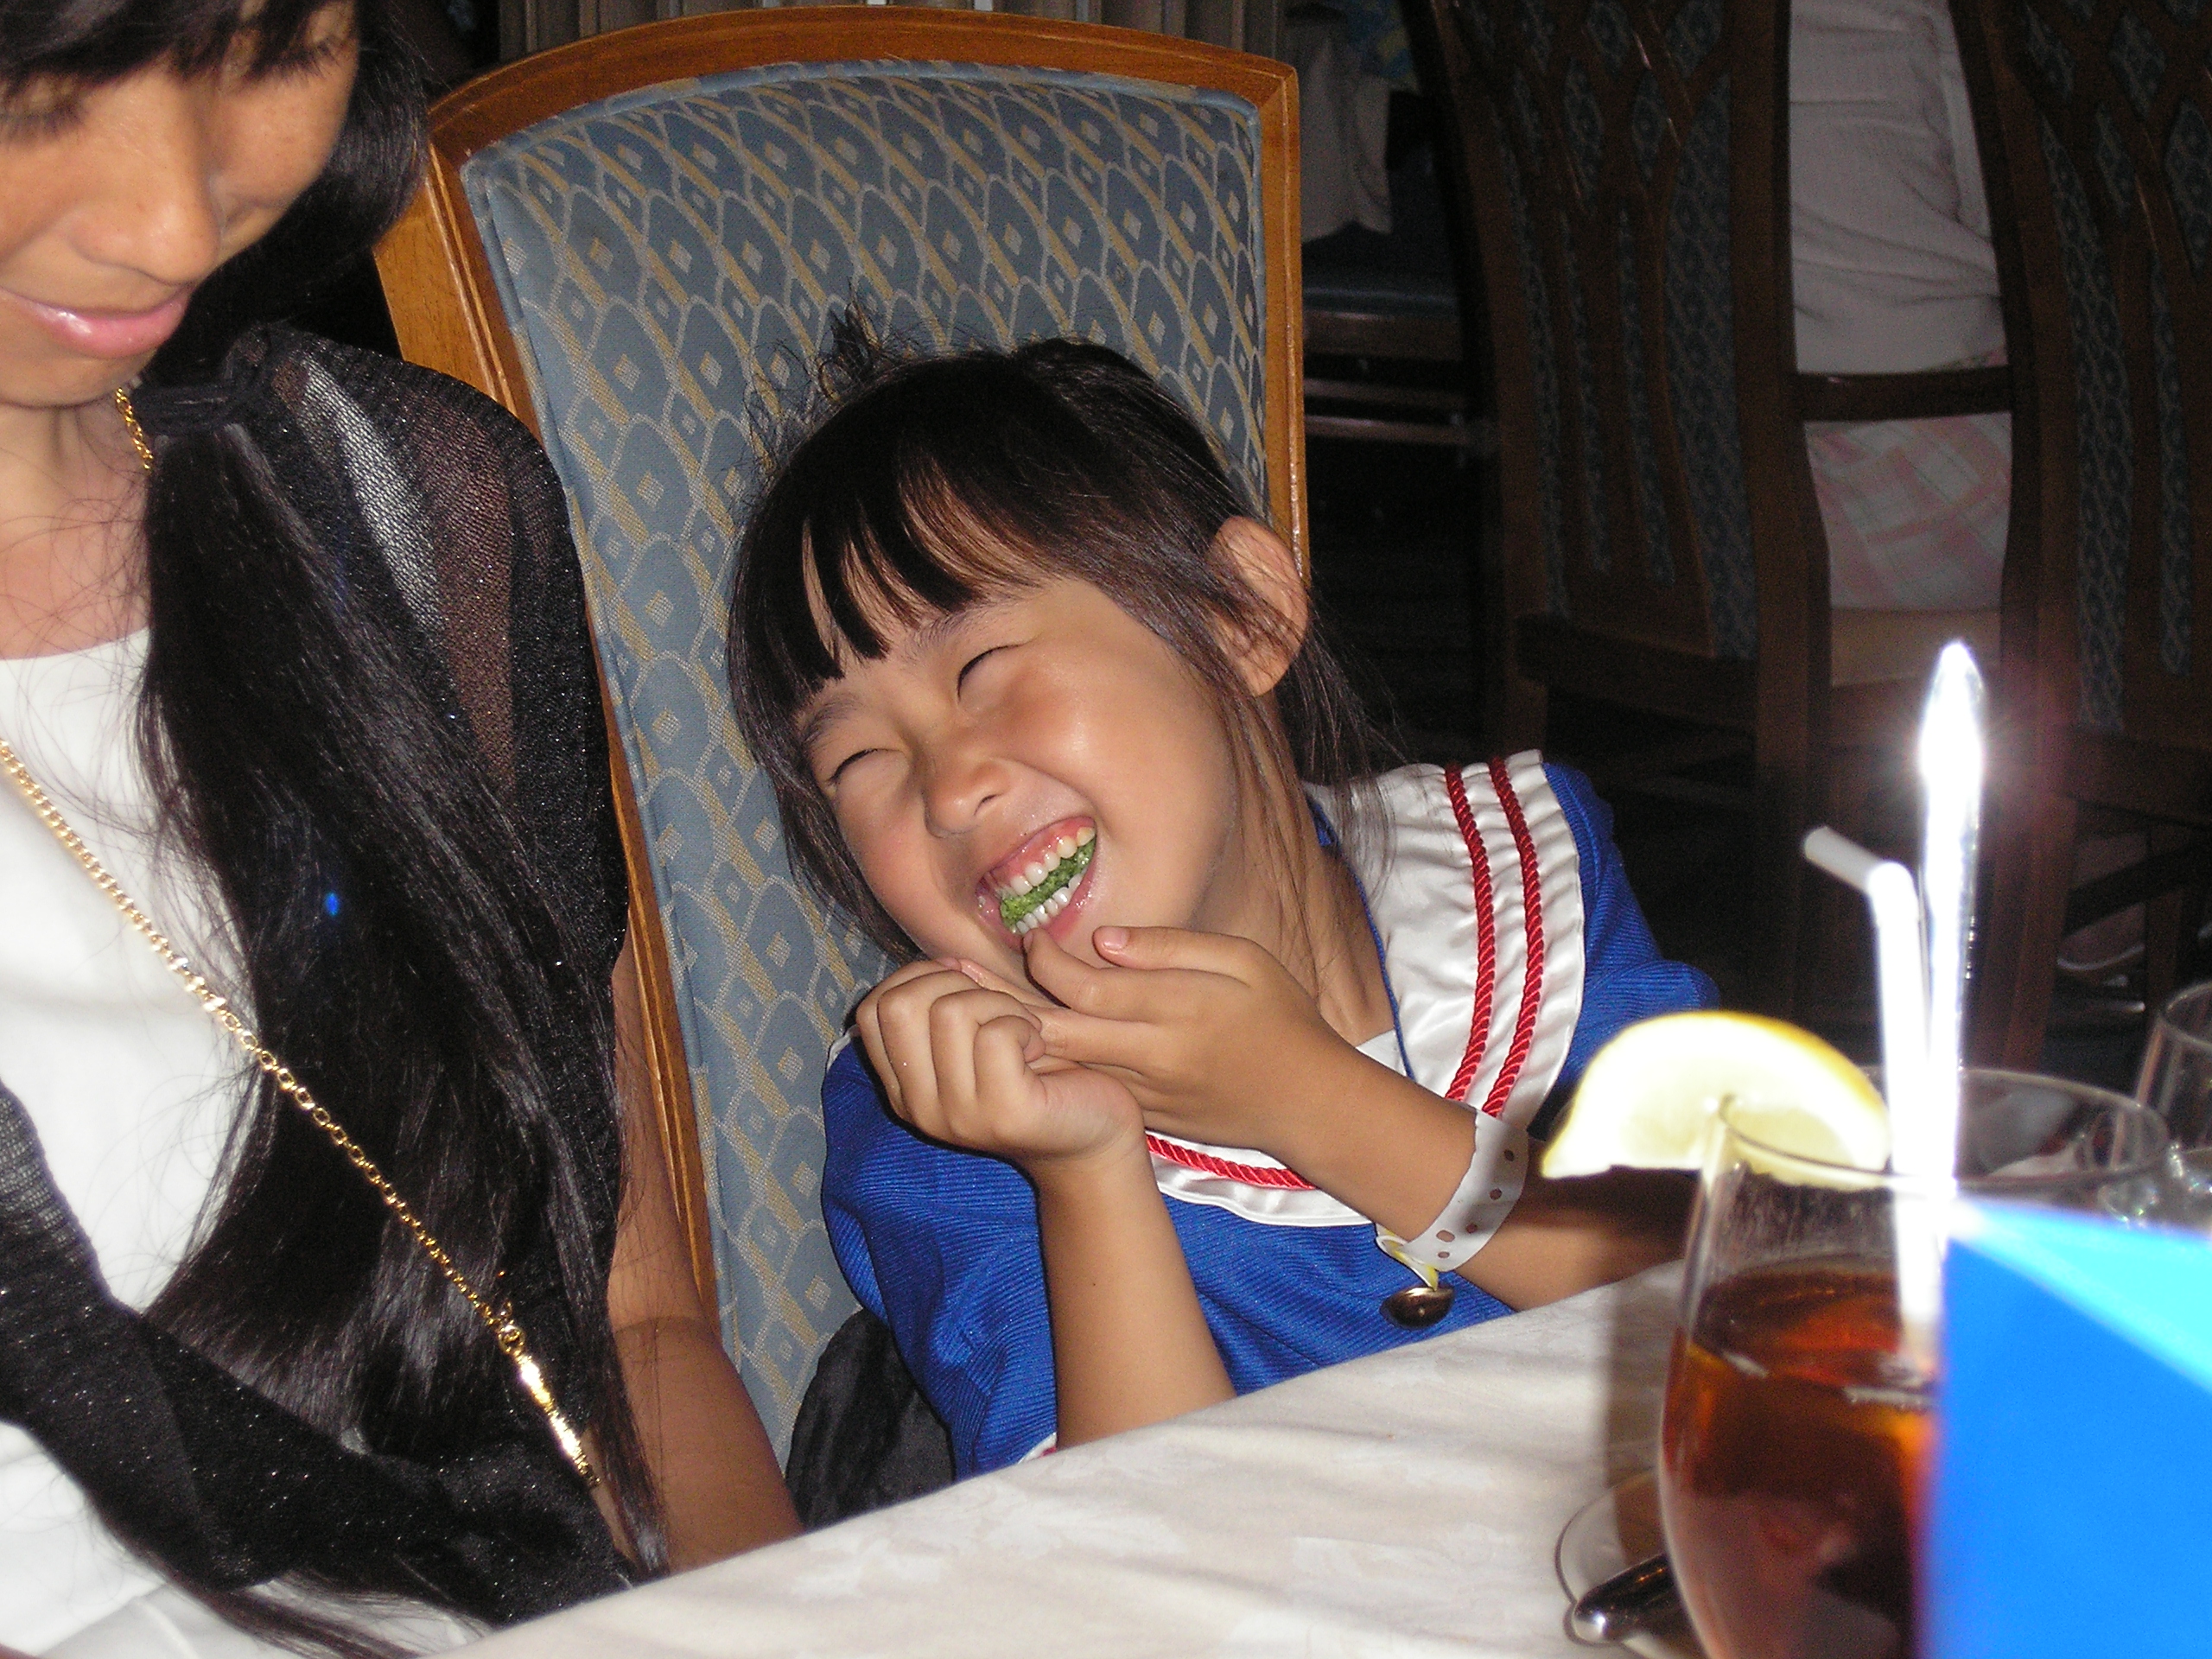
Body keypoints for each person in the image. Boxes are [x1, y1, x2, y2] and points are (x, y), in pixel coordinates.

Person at [0, 2, 799, 1654]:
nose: (173, 215)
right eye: (40, 77)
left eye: (264, 40)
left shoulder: (390, 507)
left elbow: (630, 1318)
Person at [726, 329, 1716, 1479]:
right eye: (858, 765)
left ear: (1242, 614)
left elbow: (1714, 1308)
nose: (949, 789)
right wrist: (1089, 1166)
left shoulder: (1520, 889)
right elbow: (1139, 1561)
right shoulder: (941, 1124)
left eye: (981, 669)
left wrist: (1305, 1097)